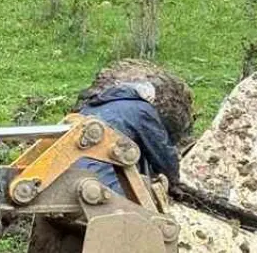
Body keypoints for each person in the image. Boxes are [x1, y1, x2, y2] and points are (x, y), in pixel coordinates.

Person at [74, 59, 193, 194]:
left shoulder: (90, 107)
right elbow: (161, 150)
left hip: (70, 178)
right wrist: (174, 182)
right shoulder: (141, 109)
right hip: (101, 184)